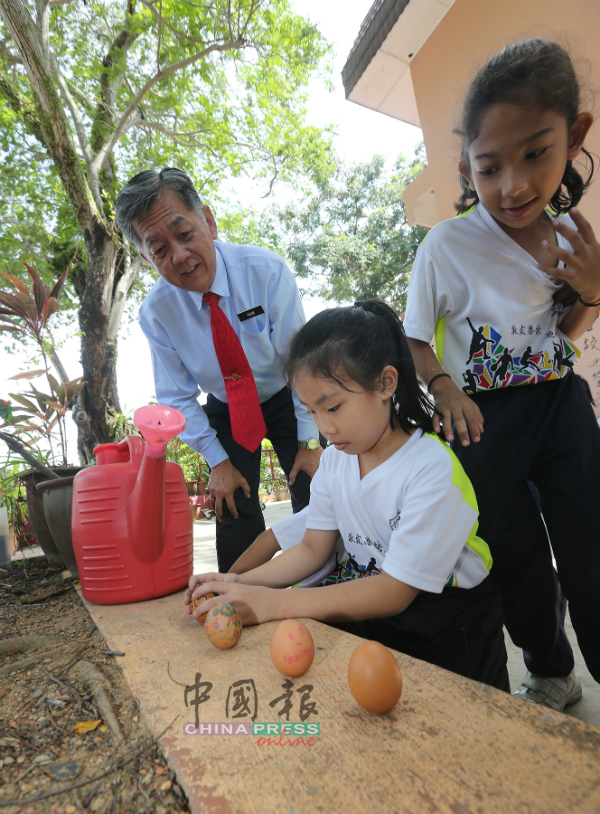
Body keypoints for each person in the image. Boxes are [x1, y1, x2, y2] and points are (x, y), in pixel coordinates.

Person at [404, 39, 600, 711]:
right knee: (515, 553)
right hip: (482, 418)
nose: (513, 184)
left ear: (574, 138)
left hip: (560, 407)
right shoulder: (446, 246)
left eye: (535, 153)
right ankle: (551, 670)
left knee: (589, 543)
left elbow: (562, 335)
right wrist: (444, 387)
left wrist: (594, 292)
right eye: (490, 167)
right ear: (465, 168)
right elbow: (414, 341)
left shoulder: (572, 236)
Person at [185, 302, 510, 691]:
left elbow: (395, 591)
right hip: (372, 600)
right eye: (312, 411)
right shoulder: (338, 462)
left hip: (447, 619)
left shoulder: (430, 469)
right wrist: (239, 583)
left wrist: (274, 603)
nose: (325, 427)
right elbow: (311, 549)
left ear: (386, 383)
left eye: (334, 407)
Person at [114, 168, 322, 572]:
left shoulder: (265, 272)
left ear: (208, 220)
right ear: (145, 256)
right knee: (232, 507)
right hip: (227, 407)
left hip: (287, 391)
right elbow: (176, 396)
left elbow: (302, 363)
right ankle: (236, 600)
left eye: (185, 233)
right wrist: (217, 462)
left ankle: (329, 592)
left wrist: (310, 443)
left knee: (315, 489)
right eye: (158, 248)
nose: (178, 255)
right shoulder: (157, 313)